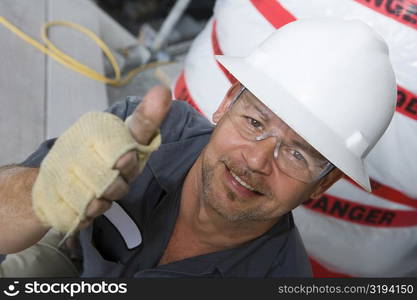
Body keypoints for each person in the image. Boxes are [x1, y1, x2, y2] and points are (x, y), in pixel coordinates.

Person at [0, 18, 396, 277]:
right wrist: (39, 192)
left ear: (322, 185)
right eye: (255, 122)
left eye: (297, 154)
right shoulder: (146, 133)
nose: (256, 160)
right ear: (225, 104)